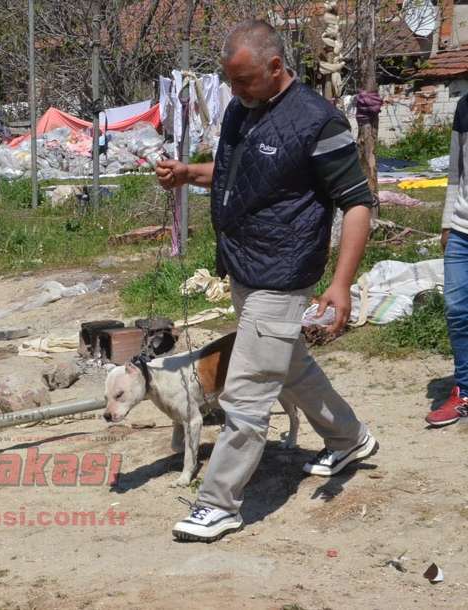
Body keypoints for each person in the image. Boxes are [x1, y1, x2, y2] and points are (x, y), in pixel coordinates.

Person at [155, 20, 378, 542]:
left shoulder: (318, 122)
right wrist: (188, 173)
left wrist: (341, 283)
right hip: (243, 268)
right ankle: (350, 438)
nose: (234, 91)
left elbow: (358, 203)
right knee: (289, 363)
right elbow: (237, 174)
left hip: (283, 273)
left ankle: (219, 503)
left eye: (244, 80)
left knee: (247, 392)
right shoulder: (243, 108)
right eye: (230, 81)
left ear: (275, 67)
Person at [430, 95, 468, 427]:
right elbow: (456, 172)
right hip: (461, 228)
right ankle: (465, 390)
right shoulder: (465, 106)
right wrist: (446, 224)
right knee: (456, 309)